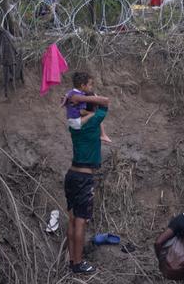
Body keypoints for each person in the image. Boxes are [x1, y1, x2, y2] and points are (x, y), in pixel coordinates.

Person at [65, 86, 110, 274]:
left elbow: (95, 106)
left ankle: (71, 260)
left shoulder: (73, 124)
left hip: (71, 175)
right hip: (84, 177)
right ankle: (78, 264)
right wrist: (91, 98)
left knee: (72, 219)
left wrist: (75, 97)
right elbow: (105, 103)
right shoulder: (95, 120)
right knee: (81, 221)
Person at [63, 72, 112, 143]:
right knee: (95, 114)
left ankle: (103, 135)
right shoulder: (79, 97)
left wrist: (65, 97)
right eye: (90, 85)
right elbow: (105, 101)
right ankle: (103, 134)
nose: (91, 87)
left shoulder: (72, 93)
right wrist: (93, 112)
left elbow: (68, 94)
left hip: (72, 122)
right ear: (83, 85)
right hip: (77, 123)